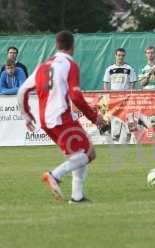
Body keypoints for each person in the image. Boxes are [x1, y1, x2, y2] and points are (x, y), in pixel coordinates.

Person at [17, 31, 107, 204]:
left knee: (78, 154)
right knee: (89, 153)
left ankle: (77, 196)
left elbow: (22, 91)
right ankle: (54, 175)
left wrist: (26, 115)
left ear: (56, 45)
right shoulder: (70, 65)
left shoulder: (42, 67)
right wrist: (94, 117)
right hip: (61, 116)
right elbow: (76, 97)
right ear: (72, 47)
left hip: (45, 120)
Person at [103, 48, 137, 143]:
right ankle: (115, 139)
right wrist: (108, 95)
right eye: (119, 55)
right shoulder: (109, 69)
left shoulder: (129, 68)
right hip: (114, 99)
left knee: (129, 118)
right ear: (115, 55)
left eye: (122, 55)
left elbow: (133, 83)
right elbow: (106, 83)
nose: (121, 57)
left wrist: (130, 95)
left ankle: (130, 139)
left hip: (126, 99)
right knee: (114, 119)